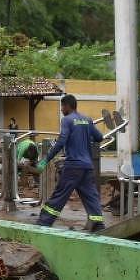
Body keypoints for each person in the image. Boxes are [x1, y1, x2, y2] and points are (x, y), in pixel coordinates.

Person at [36, 94, 105, 231]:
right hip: (87, 166)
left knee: (60, 194)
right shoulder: (87, 120)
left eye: (62, 106)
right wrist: (85, 136)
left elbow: (61, 141)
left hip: (73, 165)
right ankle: (98, 224)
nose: (61, 109)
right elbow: (99, 137)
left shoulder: (67, 120)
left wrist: (46, 159)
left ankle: (44, 222)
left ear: (67, 106)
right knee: (90, 196)